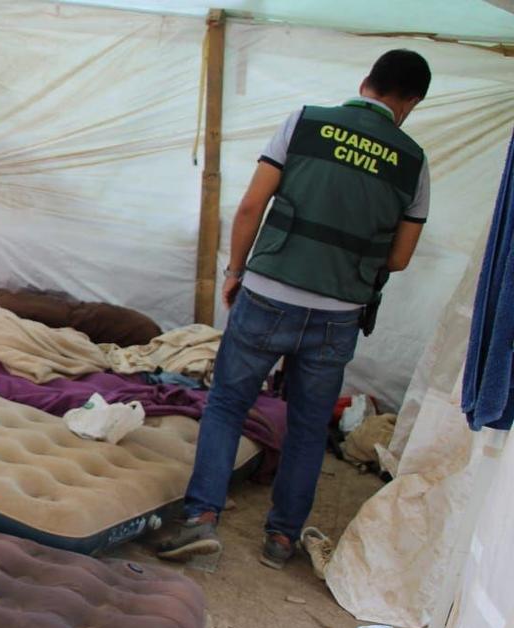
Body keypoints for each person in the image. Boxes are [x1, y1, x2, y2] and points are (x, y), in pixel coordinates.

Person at [156, 49, 432, 569]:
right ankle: (281, 539)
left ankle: (201, 520)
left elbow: (249, 206)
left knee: (227, 405)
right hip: (339, 313)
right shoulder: (414, 162)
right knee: (307, 426)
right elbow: (398, 258)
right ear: (411, 102)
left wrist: (236, 271)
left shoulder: (305, 122)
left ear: (365, 80)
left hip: (269, 293)